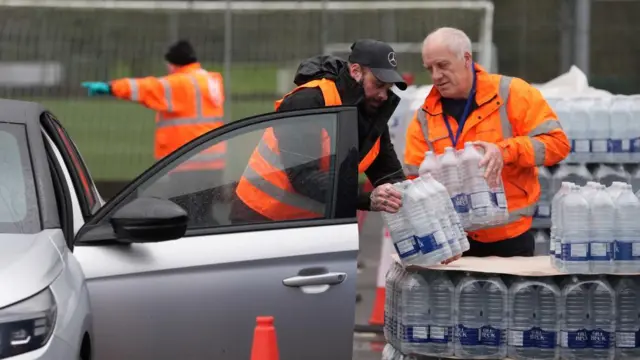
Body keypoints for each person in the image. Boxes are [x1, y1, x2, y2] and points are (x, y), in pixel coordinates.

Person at [404, 27, 570, 257]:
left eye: (442, 65)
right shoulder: (424, 117)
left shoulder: (512, 93)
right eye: (429, 68)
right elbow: (414, 181)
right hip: (456, 245)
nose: (435, 76)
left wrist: (505, 152)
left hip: (512, 240)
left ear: (466, 59)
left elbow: (557, 144)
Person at [232, 39, 409, 223]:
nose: (383, 95)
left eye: (389, 88)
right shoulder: (309, 101)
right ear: (355, 71)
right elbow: (304, 176)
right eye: (379, 84)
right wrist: (366, 200)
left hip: (310, 224)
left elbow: (388, 173)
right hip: (259, 216)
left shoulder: (371, 111)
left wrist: (411, 195)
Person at [81, 39, 227, 226]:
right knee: (206, 213)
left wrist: (109, 87)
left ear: (173, 63)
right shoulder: (211, 80)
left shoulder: (179, 84)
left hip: (187, 162)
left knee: (187, 216)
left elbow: (144, 88)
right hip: (213, 162)